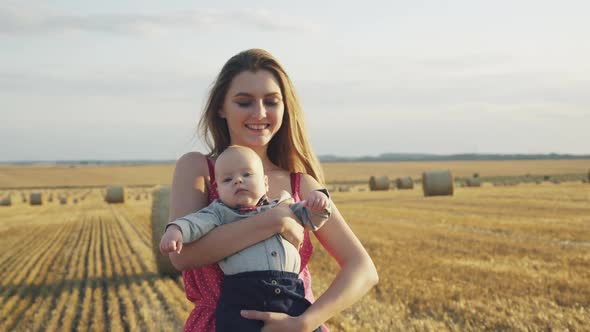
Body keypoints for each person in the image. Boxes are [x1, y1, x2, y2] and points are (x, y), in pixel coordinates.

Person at [167, 48, 378, 332]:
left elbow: (363, 269)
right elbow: (183, 256)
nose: (260, 113)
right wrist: (275, 220)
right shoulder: (198, 169)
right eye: (244, 102)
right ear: (221, 108)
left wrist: (305, 322)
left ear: (284, 108)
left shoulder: (301, 183)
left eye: (271, 101)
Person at [161, 145, 331, 332]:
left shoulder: (286, 205)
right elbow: (194, 223)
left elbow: (313, 219)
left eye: (247, 175)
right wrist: (175, 230)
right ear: (218, 189)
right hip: (242, 297)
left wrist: (319, 203)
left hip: (290, 291)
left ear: (266, 183)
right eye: (227, 179)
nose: (238, 181)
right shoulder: (219, 213)